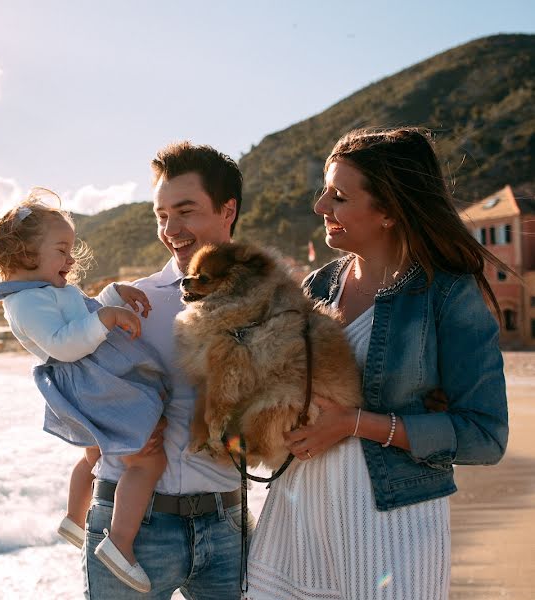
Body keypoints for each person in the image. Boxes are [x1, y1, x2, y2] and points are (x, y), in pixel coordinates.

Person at [245, 127, 509, 599]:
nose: (321, 206)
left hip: (393, 527)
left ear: (388, 211)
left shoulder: (446, 294)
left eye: (340, 196)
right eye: (325, 191)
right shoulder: (318, 287)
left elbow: (485, 435)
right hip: (297, 519)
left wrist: (354, 423)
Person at [83, 141, 251, 599]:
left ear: (226, 210)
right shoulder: (125, 302)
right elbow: (66, 391)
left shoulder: (268, 302)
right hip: (131, 528)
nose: (171, 229)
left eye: (186, 211)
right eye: (161, 215)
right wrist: (119, 422)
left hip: (227, 525)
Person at [0, 188, 171, 593]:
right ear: (25, 254)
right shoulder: (25, 304)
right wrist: (106, 316)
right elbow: (65, 343)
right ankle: (119, 544)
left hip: (93, 377)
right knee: (147, 458)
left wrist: (114, 295)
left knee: (95, 452)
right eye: (62, 250)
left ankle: (73, 518)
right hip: (90, 381)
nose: (71, 260)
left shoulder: (45, 290)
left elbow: (84, 311)